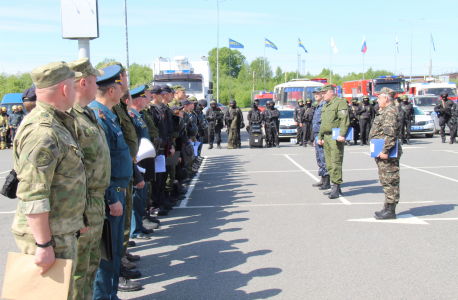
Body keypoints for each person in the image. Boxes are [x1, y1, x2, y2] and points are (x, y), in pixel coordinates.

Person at [12, 61, 86, 300]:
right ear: (65, 90)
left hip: (61, 229)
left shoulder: (58, 123)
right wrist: (43, 245)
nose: (75, 92)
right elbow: (33, 193)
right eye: (73, 87)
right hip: (49, 235)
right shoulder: (43, 131)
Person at [89, 64, 139, 297]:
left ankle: (111, 295)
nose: (124, 92)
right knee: (106, 254)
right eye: (121, 86)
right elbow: (100, 164)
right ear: (112, 91)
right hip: (110, 194)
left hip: (119, 189)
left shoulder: (108, 115)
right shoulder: (98, 116)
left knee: (114, 250)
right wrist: (112, 196)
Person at [68, 58, 111, 299]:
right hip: (80, 207)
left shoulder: (86, 113)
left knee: (90, 268)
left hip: (95, 203)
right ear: (83, 83)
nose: (98, 87)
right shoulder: (69, 118)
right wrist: (79, 213)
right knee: (77, 274)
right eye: (95, 81)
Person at [369, 87, 403, 220]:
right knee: (385, 179)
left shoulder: (390, 112)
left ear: (385, 98)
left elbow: (391, 134)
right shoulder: (385, 111)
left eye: (378, 98)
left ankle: (391, 209)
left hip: (387, 153)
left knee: (390, 179)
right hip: (382, 151)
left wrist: (385, 151)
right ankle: (387, 206)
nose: (377, 101)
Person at [318, 84, 350, 199]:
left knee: (336, 161)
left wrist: (342, 134)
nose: (323, 95)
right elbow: (323, 123)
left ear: (331, 92)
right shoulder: (326, 105)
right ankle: (334, 187)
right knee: (329, 163)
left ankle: (336, 187)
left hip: (335, 137)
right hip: (326, 137)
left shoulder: (340, 102)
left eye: (324, 93)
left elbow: (344, 119)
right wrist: (320, 137)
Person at [129, 85, 153, 242]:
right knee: (136, 197)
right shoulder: (131, 116)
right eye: (145, 97)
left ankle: (139, 225)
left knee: (142, 195)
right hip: (137, 161)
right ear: (138, 99)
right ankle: (135, 229)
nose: (148, 99)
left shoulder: (139, 116)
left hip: (143, 160)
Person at [149, 85, 172, 216]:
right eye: (160, 94)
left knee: (161, 177)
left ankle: (159, 202)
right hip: (156, 148)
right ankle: (154, 205)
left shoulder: (157, 109)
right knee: (156, 179)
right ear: (154, 95)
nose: (162, 96)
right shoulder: (152, 110)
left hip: (162, 147)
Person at [311, 87, 331, 190]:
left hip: (322, 136)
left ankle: (327, 181)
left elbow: (324, 123)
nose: (316, 95)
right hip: (317, 136)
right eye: (315, 93)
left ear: (323, 94)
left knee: (324, 159)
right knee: (319, 158)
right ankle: (323, 179)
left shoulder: (324, 106)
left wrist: (321, 137)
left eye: (318, 93)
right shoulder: (318, 106)